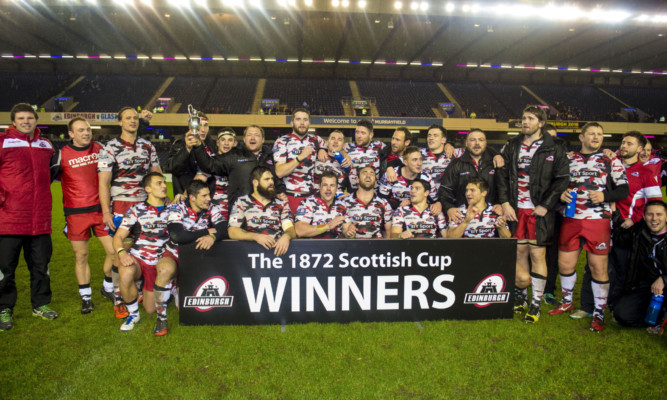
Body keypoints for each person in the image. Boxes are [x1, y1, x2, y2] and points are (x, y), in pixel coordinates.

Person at [572, 131, 662, 319]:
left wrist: (635, 219)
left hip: (626, 229)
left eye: (629, 143)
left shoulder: (646, 172)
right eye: (623, 142)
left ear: (639, 148)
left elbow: (655, 204)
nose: (624, 146)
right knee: (593, 265)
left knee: (621, 270)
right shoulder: (610, 163)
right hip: (602, 222)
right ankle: (587, 306)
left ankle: (614, 306)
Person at [549, 122, 629, 333]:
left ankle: (599, 312)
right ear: (581, 138)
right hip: (571, 218)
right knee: (565, 264)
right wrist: (561, 195)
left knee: (598, 268)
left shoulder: (611, 161)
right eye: (591, 134)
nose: (596, 137)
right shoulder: (567, 159)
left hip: (598, 220)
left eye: (600, 134)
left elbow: (623, 190)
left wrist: (605, 196)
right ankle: (567, 301)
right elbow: (556, 185)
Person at [497, 105, 570, 323]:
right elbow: (502, 177)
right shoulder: (512, 146)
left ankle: (536, 303)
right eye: (523, 118)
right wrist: (505, 203)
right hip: (516, 209)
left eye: (530, 118)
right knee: (519, 253)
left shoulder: (554, 147)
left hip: (539, 210)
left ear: (541, 122)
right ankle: (521, 298)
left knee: (537, 254)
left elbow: (562, 179)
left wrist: (546, 205)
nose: (525, 122)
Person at [98, 107, 161, 319]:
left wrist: (164, 200)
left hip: (144, 208)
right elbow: (104, 183)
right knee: (120, 254)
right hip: (120, 208)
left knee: (142, 250)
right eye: (128, 118)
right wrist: (106, 212)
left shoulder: (148, 146)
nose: (132, 121)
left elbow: (156, 175)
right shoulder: (110, 147)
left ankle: (138, 289)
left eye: (135, 118)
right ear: (120, 122)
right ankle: (119, 297)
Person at [0, 103, 57, 331]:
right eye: (21, 118)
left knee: (41, 267)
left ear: (36, 120)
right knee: (5, 268)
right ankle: (4, 308)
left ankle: (40, 304)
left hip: (40, 219)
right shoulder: (3, 142)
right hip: (9, 219)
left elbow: (54, 172)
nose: (26, 121)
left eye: (30, 118)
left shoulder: (46, 144)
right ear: (13, 121)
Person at [52, 117, 116, 314]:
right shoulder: (61, 155)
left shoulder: (100, 148)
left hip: (101, 211)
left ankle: (107, 286)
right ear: (71, 134)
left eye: (88, 129)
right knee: (81, 256)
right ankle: (86, 297)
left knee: (115, 252)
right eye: (81, 130)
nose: (86, 133)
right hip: (76, 214)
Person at [155, 179, 227, 336]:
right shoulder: (176, 207)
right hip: (175, 253)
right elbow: (177, 235)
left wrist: (213, 238)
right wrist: (207, 232)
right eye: (204, 196)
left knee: (189, 310)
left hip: (196, 259)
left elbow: (223, 229)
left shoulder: (212, 208)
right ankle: (161, 318)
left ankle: (175, 288)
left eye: (209, 194)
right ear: (192, 197)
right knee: (165, 269)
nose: (209, 198)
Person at [113, 172, 170, 332]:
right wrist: (122, 253)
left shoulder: (173, 209)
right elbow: (118, 237)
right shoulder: (136, 209)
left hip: (159, 263)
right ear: (148, 189)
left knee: (151, 309)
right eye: (159, 183)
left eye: (164, 182)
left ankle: (150, 287)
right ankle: (133, 314)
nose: (164, 186)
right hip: (139, 258)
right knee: (125, 270)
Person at [192, 125, 286, 211]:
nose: (252, 137)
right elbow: (209, 165)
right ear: (244, 139)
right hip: (240, 210)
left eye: (256, 135)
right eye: (249, 135)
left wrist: (280, 191)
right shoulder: (234, 155)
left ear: (263, 139)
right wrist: (198, 147)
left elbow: (277, 179)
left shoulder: (272, 157)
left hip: (267, 211)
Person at [612, 201, 667, 334]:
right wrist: (615, 212)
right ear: (643, 216)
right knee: (622, 314)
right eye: (650, 214)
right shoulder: (639, 231)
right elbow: (620, 237)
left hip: (663, 282)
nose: (654, 219)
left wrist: (664, 279)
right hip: (649, 285)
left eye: (659, 214)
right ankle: (660, 317)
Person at [438, 129, 501, 225]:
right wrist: (449, 208)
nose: (477, 143)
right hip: (462, 217)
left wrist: (499, 203)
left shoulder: (495, 163)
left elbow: (503, 188)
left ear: (486, 143)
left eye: (480, 140)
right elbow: (445, 190)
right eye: (472, 140)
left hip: (490, 217)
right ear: (466, 143)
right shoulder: (456, 164)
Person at [228, 166, 295, 256]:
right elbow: (232, 231)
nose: (271, 182)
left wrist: (286, 237)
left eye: (272, 179)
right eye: (266, 179)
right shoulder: (242, 202)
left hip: (277, 254)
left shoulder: (281, 203)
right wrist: (256, 237)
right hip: (250, 254)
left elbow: (290, 229)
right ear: (255, 182)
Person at [273, 108, 327, 215]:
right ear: (292, 123)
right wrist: (300, 157)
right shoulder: (282, 141)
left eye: (305, 120)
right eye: (298, 119)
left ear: (309, 123)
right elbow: (279, 172)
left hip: (310, 198)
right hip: (288, 197)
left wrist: (323, 149)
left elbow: (336, 145)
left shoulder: (316, 140)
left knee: (308, 231)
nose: (302, 123)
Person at [165, 111, 216, 195]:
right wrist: (186, 149)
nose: (203, 130)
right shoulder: (180, 143)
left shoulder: (212, 145)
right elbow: (171, 168)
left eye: (206, 125)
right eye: (199, 125)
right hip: (186, 198)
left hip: (207, 198)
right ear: (190, 127)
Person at [193, 128, 237, 219]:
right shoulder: (210, 161)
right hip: (215, 213)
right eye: (223, 140)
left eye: (230, 140)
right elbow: (197, 183)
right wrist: (184, 195)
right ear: (217, 143)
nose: (226, 143)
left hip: (236, 213)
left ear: (235, 143)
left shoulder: (240, 162)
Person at [340, 166, 393, 239]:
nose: (368, 176)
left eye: (372, 174)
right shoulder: (344, 202)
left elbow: (388, 233)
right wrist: (348, 232)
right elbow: (344, 230)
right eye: (364, 173)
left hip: (377, 248)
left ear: (375, 182)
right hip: (353, 247)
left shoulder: (384, 203)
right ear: (357, 180)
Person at [295, 171, 346, 239]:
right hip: (313, 248)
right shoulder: (307, 203)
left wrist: (350, 233)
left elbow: (347, 229)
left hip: (336, 248)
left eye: (332, 185)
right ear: (319, 186)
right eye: (325, 185)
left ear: (336, 188)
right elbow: (299, 230)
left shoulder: (342, 204)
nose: (328, 189)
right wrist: (328, 226)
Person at [345, 120, 386, 190]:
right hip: (353, 192)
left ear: (371, 135)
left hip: (374, 192)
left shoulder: (379, 146)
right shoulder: (347, 147)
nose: (358, 136)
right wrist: (322, 149)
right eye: (357, 132)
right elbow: (332, 147)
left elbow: (394, 154)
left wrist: (390, 167)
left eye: (363, 133)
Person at [312, 129, 350, 195]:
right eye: (333, 138)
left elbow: (351, 187)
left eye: (339, 139)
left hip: (337, 202)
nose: (335, 141)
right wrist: (320, 150)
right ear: (326, 143)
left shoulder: (346, 163)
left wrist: (348, 194)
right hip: (315, 201)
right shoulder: (316, 157)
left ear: (344, 146)